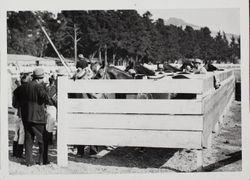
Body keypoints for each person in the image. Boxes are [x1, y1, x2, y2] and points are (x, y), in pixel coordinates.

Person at [13, 68, 50, 166]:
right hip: (38, 118)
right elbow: (46, 98)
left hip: (26, 117)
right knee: (42, 139)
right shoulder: (39, 87)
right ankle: (42, 160)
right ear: (40, 79)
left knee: (28, 139)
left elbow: (15, 97)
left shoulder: (22, 87)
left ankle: (29, 161)